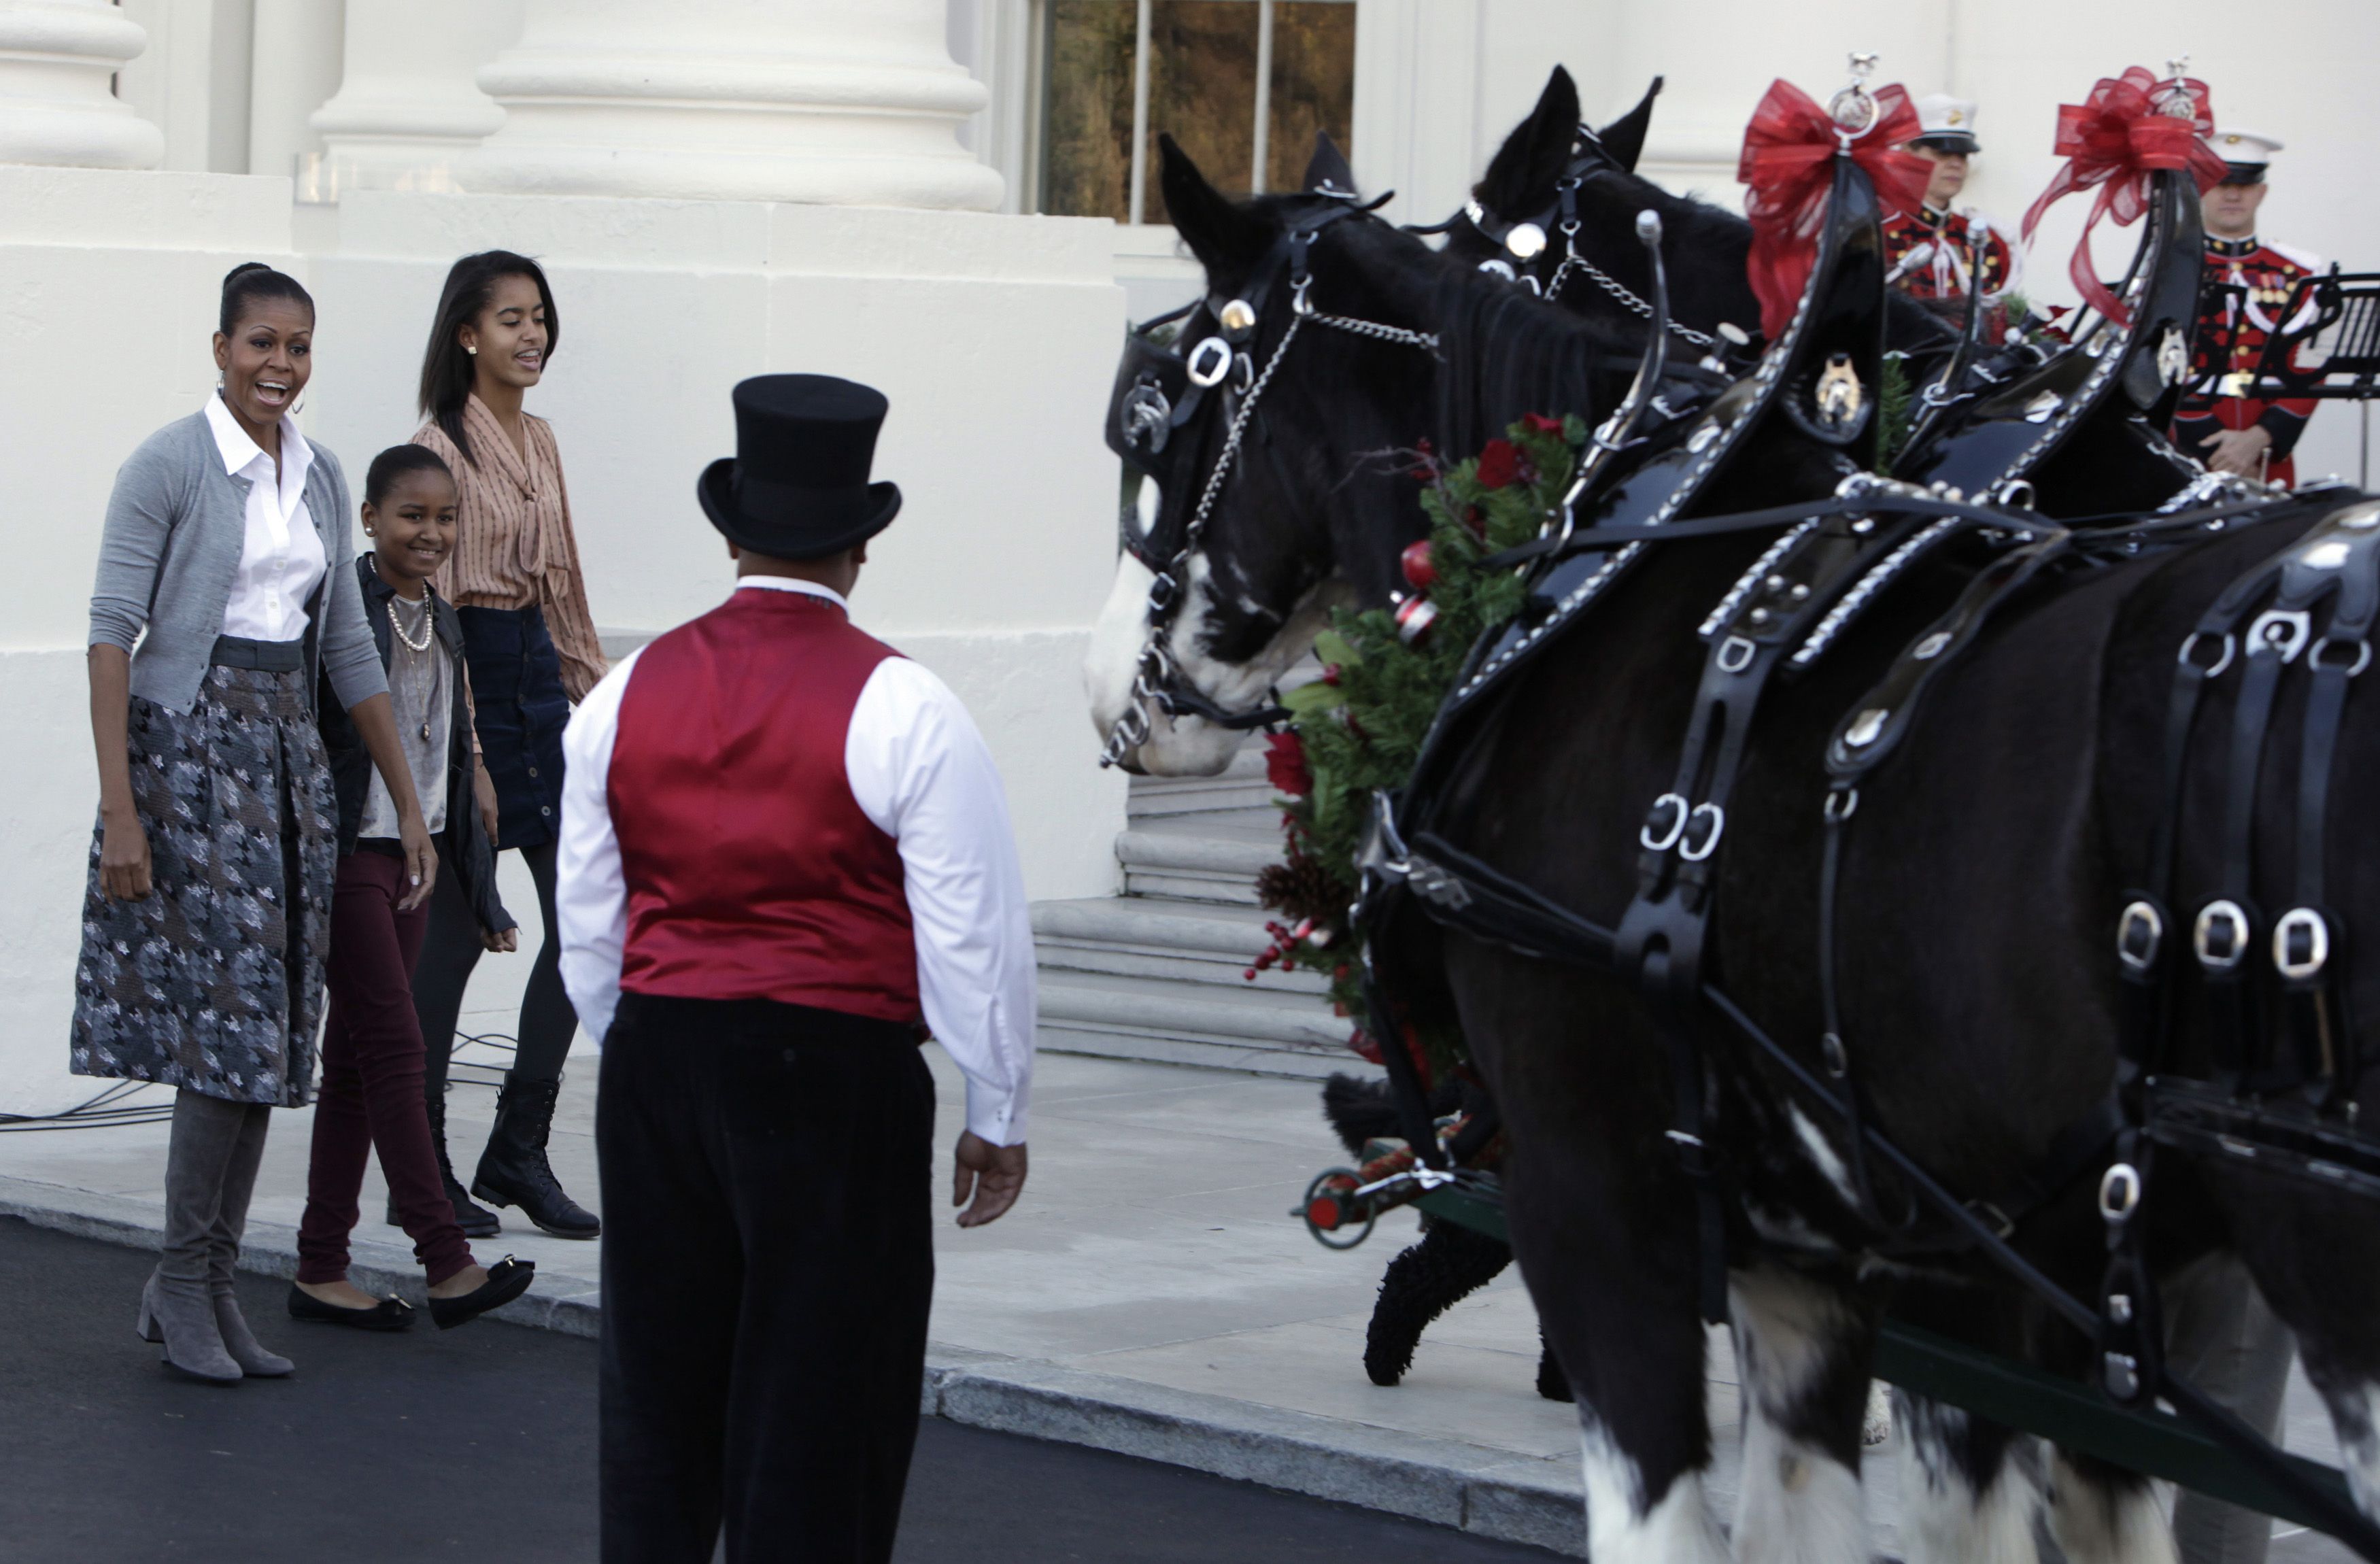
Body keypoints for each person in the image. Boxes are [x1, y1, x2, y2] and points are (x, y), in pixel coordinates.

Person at [556, 375, 1036, 1563]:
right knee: (823, 1403)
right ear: (863, 541)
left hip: (661, 1053)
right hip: (835, 1069)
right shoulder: (906, 703)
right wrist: (999, 1104)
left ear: (730, 531)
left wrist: (642, 1040)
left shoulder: (621, 693)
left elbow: (587, 915)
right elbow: (972, 927)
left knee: (658, 1392)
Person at [77, 262, 438, 1383]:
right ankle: (186, 1283)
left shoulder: (324, 475)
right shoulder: (170, 463)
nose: (280, 366)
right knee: (221, 1029)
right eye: (260, 345)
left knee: (277, 1026)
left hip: (287, 760)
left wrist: (408, 802)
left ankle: (208, 1283)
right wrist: (122, 813)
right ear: (220, 348)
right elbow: (108, 637)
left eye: (298, 347)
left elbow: (346, 649)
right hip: (187, 757)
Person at [290, 446, 537, 1333]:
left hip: (417, 860)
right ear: (369, 520)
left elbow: (452, 756)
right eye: (410, 517)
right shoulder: (340, 608)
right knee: (397, 1049)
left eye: (443, 519)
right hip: (351, 854)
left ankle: (321, 1266)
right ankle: (446, 1259)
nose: (429, 534)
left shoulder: (443, 616)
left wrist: (481, 888)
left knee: (355, 1065)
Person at [406, 250, 606, 1240]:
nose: (532, 336)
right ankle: (425, 1163)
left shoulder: (544, 440)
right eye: (512, 319)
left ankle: (516, 1149)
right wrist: (469, 759)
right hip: (466, 687)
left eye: (541, 318)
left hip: (538, 681)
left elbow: (563, 587)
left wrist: (597, 701)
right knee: (449, 940)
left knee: (586, 923)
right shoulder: (436, 448)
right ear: (467, 334)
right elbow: (437, 619)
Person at [2173, 129, 2322, 488]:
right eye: (2221, 182)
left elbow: (2312, 368)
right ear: (2200, 188)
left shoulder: (2301, 274)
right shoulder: (2172, 269)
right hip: (2190, 453)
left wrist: (2259, 439)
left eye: (2245, 183)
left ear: (2262, 192)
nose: (2233, 194)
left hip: (2267, 457)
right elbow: (2154, 367)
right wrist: (2219, 451)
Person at [1882, 94, 2020, 324]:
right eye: (1942, 153)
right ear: (1907, 155)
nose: (1956, 164)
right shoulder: (1879, 234)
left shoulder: (1989, 242)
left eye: (1963, 155)